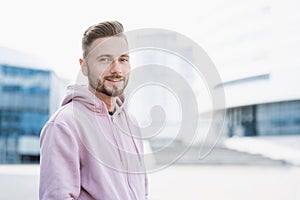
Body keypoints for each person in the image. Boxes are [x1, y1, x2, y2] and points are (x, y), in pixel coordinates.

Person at [39, 21, 148, 200]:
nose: (116, 69)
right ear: (84, 66)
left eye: (123, 59)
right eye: (104, 59)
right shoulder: (64, 125)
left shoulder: (132, 124)